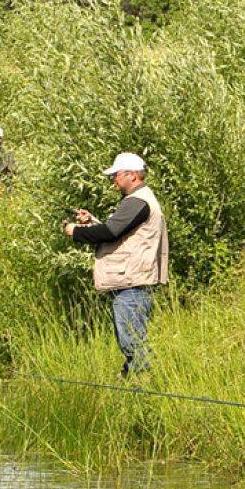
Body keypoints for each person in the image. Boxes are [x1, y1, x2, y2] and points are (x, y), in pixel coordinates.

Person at [63, 152, 169, 378]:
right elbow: (120, 234)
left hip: (131, 283)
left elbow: (110, 233)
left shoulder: (137, 201)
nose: (113, 180)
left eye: (116, 175)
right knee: (132, 339)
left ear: (131, 175)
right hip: (131, 281)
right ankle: (132, 380)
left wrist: (77, 232)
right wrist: (92, 222)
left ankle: (142, 385)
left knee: (132, 342)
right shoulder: (140, 200)